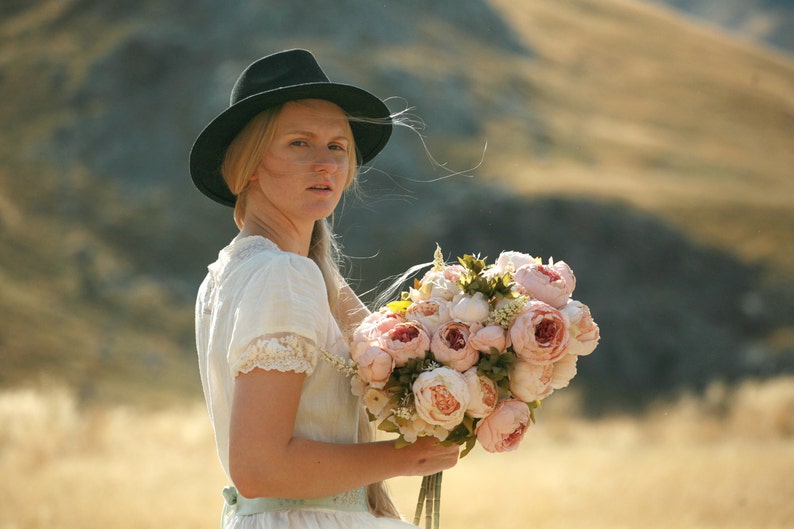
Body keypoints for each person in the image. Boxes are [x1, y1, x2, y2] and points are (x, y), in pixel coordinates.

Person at [189, 49, 460, 529]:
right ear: (248, 164)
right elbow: (259, 467)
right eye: (299, 143)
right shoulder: (281, 275)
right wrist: (405, 457)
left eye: (338, 146)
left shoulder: (230, 272)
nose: (326, 164)